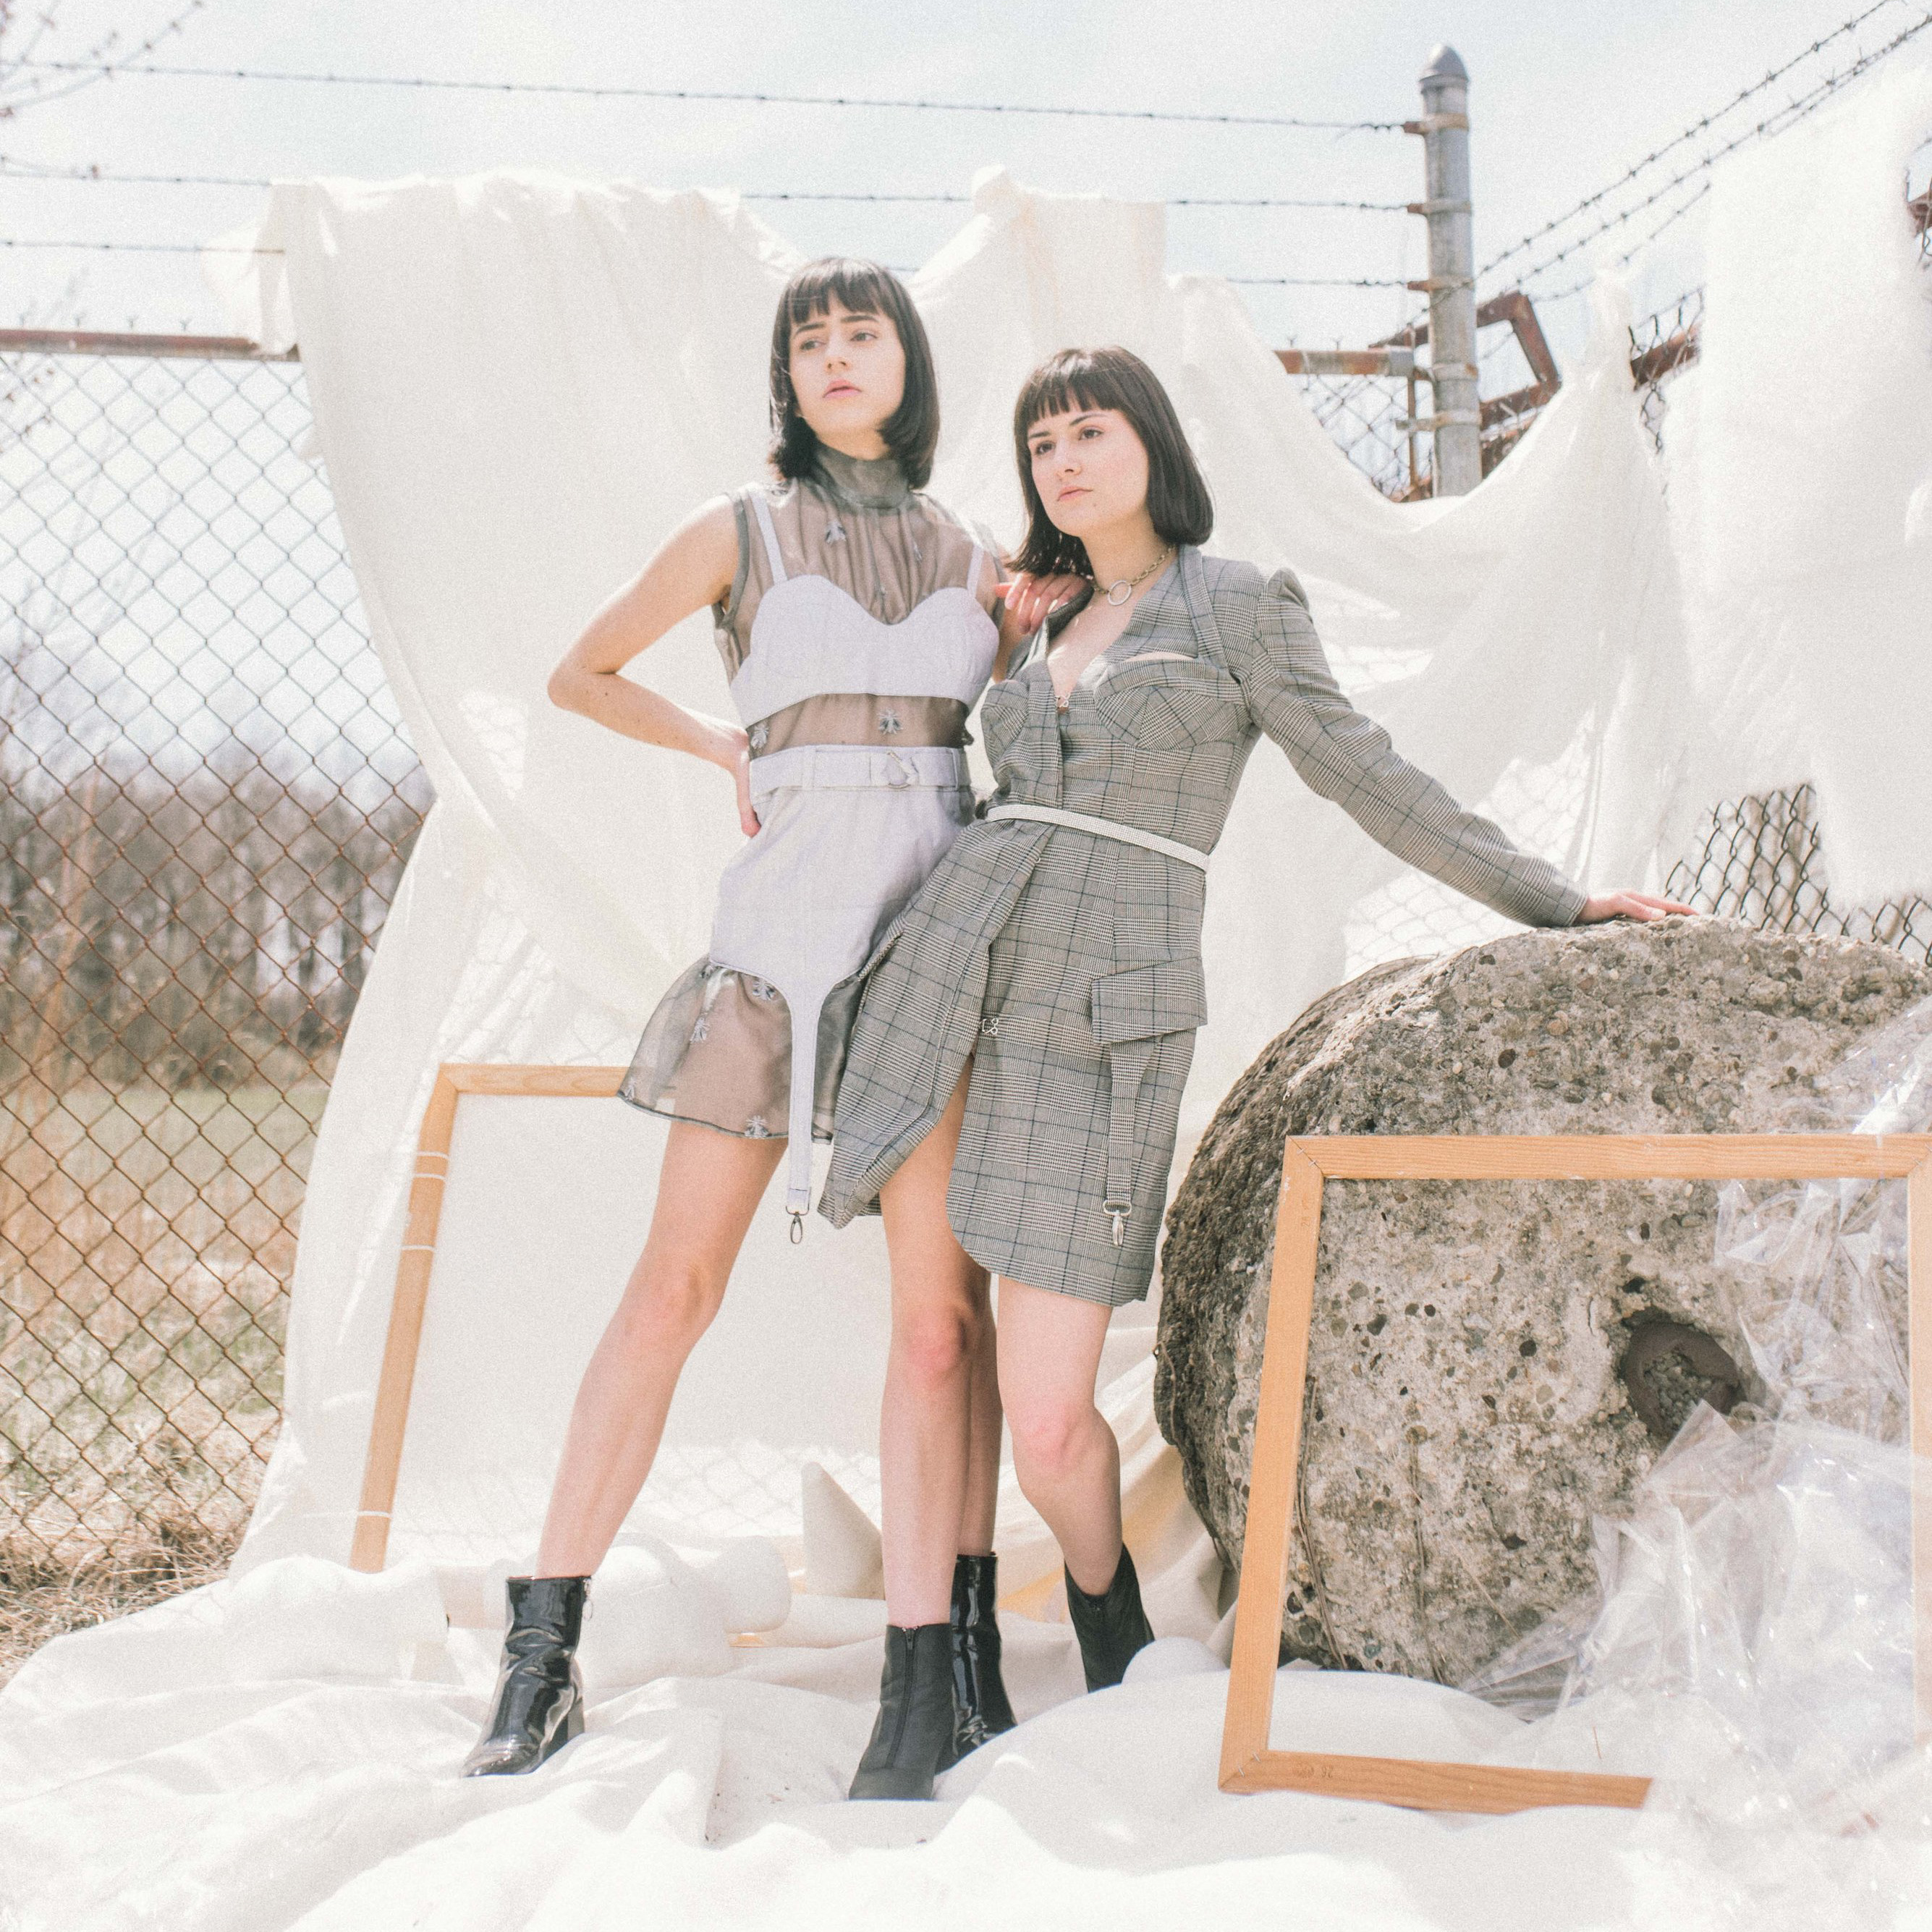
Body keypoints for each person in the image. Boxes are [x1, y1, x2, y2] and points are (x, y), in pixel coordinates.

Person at [821, 344, 1693, 1798]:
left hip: (1099, 1017)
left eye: (1090, 432)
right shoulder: (1035, 615)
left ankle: (1104, 1613)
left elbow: (1362, 768)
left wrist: (1553, 898)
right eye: (1041, 445)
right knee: (928, 1340)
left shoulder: (1236, 606)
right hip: (950, 973)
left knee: (1048, 1417)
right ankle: (940, 1677)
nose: (1064, 463)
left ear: (1152, 445)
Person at [462, 260, 1073, 1780]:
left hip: (929, 971)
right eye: (810, 341)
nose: (835, 356)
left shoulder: (980, 559)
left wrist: (1043, 631)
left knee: (941, 1330)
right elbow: (581, 672)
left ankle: (946, 1667)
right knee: (670, 1292)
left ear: (908, 361)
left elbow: (1039, 726)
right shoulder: (734, 530)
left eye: (863, 333)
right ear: (786, 378)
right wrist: (723, 744)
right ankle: (541, 1656)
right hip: (775, 958)